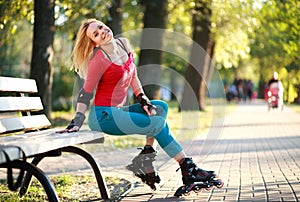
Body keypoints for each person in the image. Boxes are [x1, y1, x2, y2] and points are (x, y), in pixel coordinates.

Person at [57, 18, 216, 190]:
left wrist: (144, 100)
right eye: (96, 34)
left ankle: (145, 160)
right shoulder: (99, 59)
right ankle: (189, 169)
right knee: (158, 123)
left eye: (101, 27)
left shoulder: (124, 44)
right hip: (104, 116)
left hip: (118, 110)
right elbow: (86, 92)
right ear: (93, 42)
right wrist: (78, 119)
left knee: (160, 108)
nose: (102, 32)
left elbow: (133, 76)